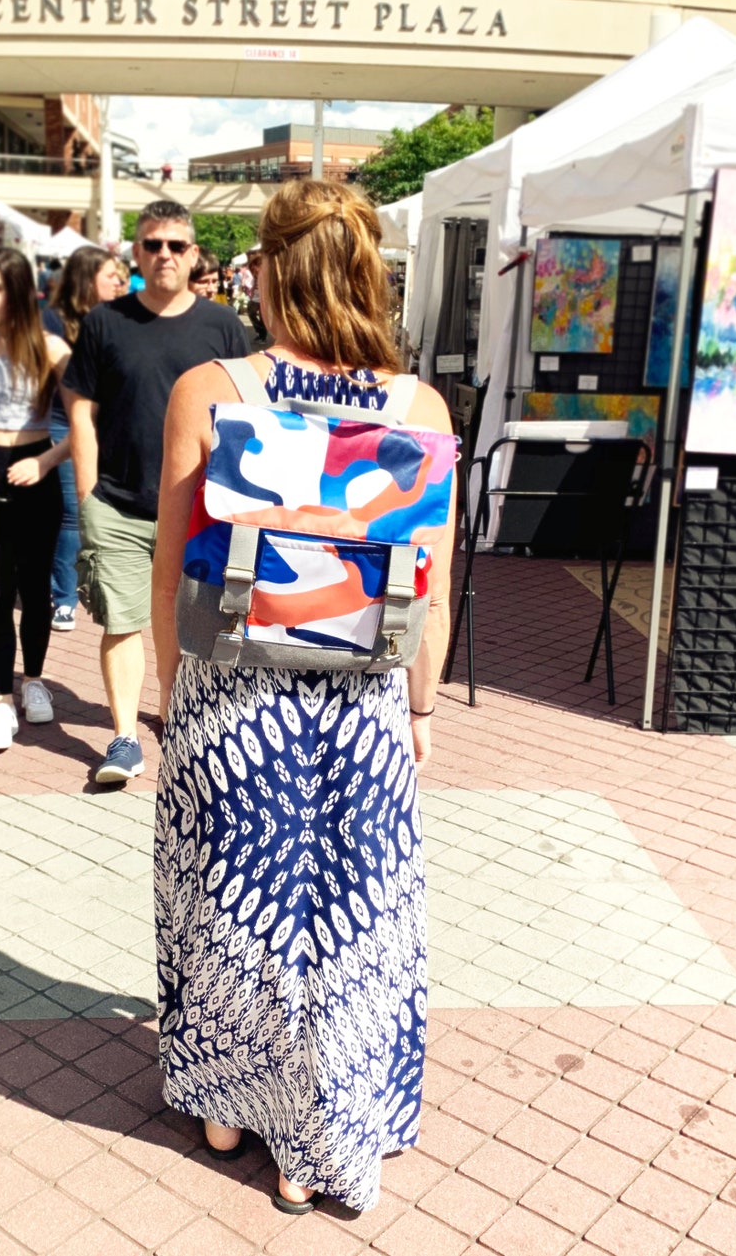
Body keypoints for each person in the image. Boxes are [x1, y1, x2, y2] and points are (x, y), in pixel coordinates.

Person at [152, 179, 457, 1214]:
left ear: (269, 269)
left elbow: (170, 569)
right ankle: (312, 1140)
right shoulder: (418, 409)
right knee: (341, 922)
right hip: (361, 700)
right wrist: (418, 712)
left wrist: (168, 693)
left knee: (233, 899)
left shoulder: (212, 388)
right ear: (367, 266)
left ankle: (231, 1103)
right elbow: (430, 590)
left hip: (234, 697)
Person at [62, 200, 249, 786]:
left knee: (193, 619)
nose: (163, 254)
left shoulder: (222, 326)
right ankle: (122, 738)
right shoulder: (105, 322)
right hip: (117, 502)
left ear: (192, 254)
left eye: (175, 245)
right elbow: (82, 415)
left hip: (199, 506)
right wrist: (89, 496)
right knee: (121, 620)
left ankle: (175, 714)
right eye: (151, 244)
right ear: (135, 253)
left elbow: (248, 416)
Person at [0, 248, 71, 748]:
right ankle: (1, 698)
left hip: (36, 467)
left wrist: (45, 461)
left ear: (20, 291)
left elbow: (90, 425)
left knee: (36, 586)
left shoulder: (51, 348)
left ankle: (35, 681)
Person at [42, 247, 123, 631]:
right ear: (88, 279)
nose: (120, 283)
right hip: (64, 424)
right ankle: (64, 598)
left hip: (109, 424)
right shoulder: (52, 322)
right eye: (111, 275)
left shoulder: (119, 318)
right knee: (75, 512)